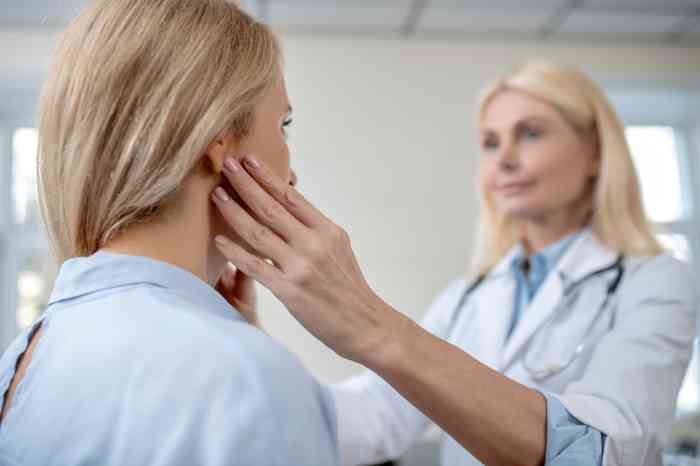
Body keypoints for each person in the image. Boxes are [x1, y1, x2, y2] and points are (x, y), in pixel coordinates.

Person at [211, 61, 698, 466]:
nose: (503, 159)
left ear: (595, 152)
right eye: (490, 142)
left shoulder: (655, 280)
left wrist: (368, 321)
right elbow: (375, 420)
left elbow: (600, 451)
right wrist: (254, 348)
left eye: (530, 134)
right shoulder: (471, 296)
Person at [0, 1, 339, 465]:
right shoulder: (251, 383)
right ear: (217, 138)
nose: (292, 174)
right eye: (283, 125)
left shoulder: (22, 359)